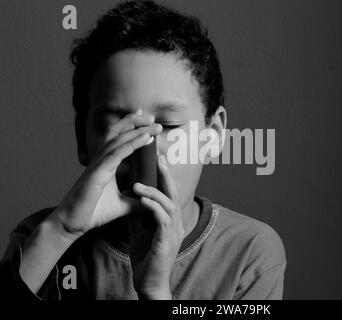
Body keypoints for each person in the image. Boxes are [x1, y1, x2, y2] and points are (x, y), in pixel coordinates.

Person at [0, 0, 286, 300]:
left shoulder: (249, 252)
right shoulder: (41, 240)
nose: (143, 149)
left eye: (170, 125)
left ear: (211, 136)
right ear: (82, 140)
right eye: (118, 129)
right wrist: (62, 230)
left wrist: (155, 291)